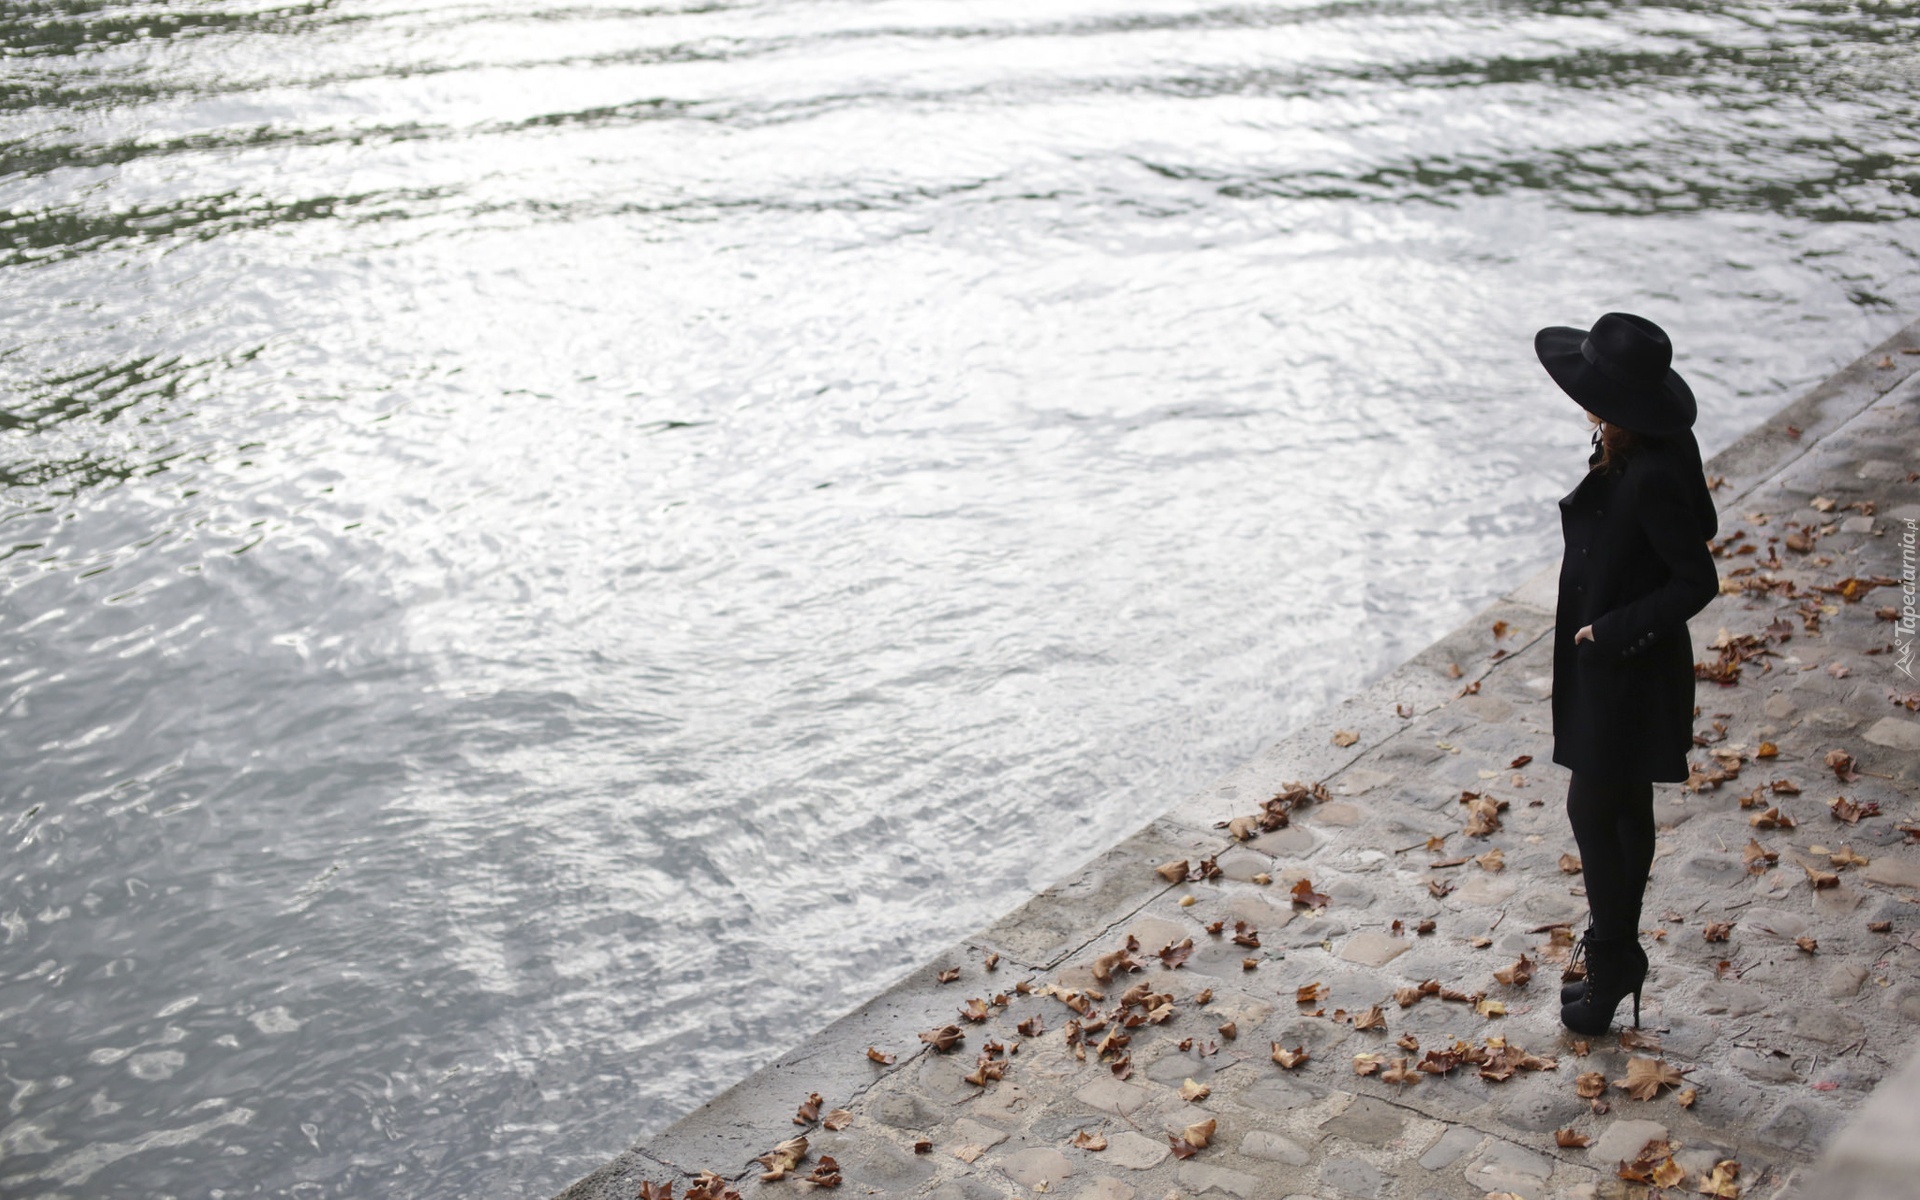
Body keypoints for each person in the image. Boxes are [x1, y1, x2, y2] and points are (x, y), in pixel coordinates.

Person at [1533, 312, 1720, 1036]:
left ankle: (1613, 957)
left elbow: (1695, 580)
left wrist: (1607, 632)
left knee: (1592, 809)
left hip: (1625, 668)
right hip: (1614, 664)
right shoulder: (1640, 445)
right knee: (1621, 807)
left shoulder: (1650, 474)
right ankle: (1617, 960)